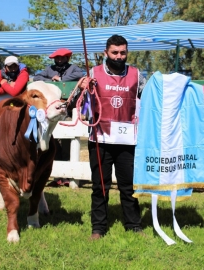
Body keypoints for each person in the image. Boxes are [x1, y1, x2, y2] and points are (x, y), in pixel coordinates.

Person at [81, 34, 146, 240]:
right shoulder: (93, 73)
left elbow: (151, 96)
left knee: (128, 186)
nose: (119, 56)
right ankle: (98, 228)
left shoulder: (136, 74)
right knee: (100, 185)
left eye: (123, 52)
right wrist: (83, 88)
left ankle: (134, 225)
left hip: (127, 140)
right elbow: (78, 101)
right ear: (105, 53)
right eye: (115, 52)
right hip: (100, 138)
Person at [34, 48, 84, 187]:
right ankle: (57, 176)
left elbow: (80, 75)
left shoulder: (73, 68)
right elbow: (37, 77)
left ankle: (67, 175)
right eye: (57, 58)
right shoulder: (50, 69)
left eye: (62, 58)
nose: (60, 60)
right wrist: (51, 79)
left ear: (67, 58)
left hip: (67, 112)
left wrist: (62, 79)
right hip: (52, 114)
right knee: (54, 144)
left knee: (68, 143)